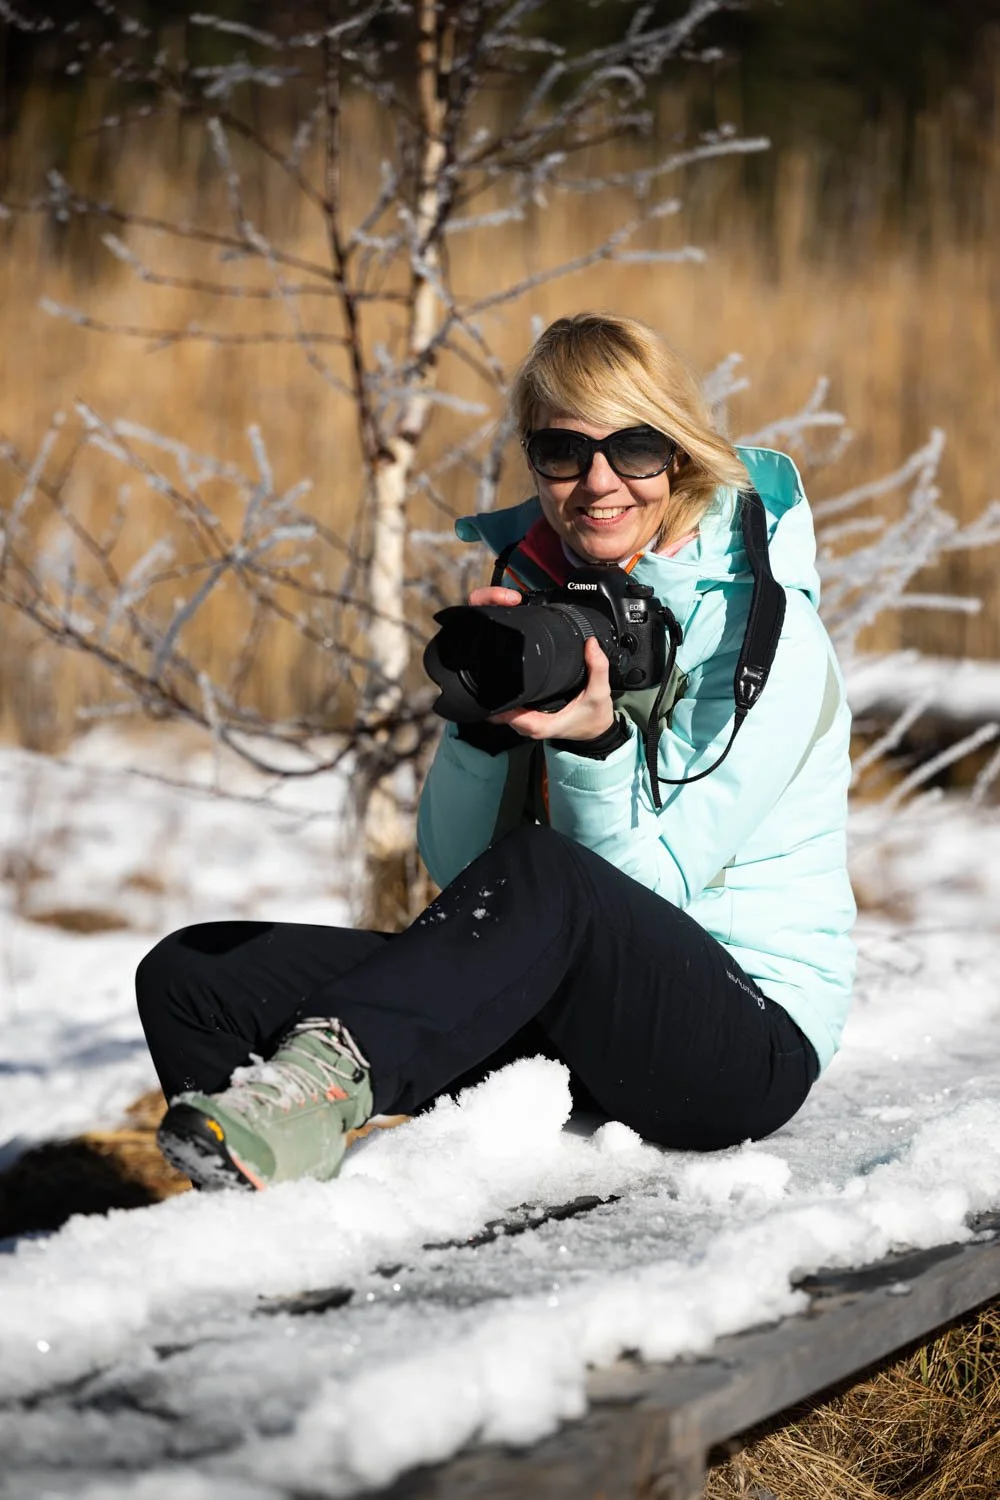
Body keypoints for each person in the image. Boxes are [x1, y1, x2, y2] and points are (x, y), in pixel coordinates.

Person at [139, 312, 856, 1192]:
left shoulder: (764, 634)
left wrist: (592, 744)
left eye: (633, 448)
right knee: (194, 976)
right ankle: (257, 1205)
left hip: (739, 1038)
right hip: (569, 1013)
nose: (598, 483)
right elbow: (463, 871)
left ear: (680, 454)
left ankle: (317, 1086)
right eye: (562, 451)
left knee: (550, 872)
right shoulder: (540, 590)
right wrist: (483, 723)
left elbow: (642, 890)